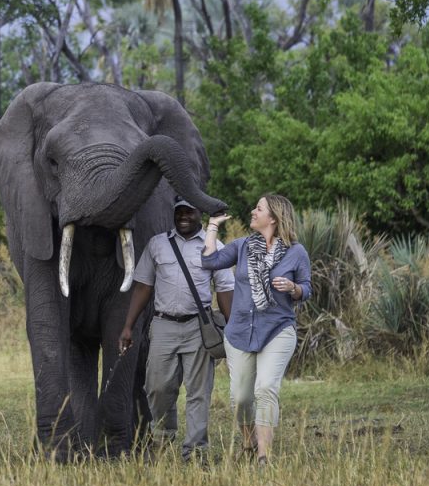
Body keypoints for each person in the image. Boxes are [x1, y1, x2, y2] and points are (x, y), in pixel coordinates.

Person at [119, 197, 234, 463]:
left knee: (198, 391)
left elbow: (225, 289)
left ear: (199, 215)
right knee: (157, 387)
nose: (183, 216)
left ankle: (195, 452)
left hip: (199, 327)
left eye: (189, 212)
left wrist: (232, 331)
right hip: (163, 325)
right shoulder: (158, 244)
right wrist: (128, 326)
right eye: (179, 211)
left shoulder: (214, 246)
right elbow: (143, 286)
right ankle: (162, 438)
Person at [200, 194, 312, 466]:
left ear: (273, 217)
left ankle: (264, 455)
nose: (252, 211)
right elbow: (209, 262)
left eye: (258, 209)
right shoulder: (242, 246)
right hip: (239, 331)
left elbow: (306, 289)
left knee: (265, 388)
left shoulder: (296, 252)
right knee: (240, 396)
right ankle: (248, 440)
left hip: (277, 330)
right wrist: (213, 227)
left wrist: (293, 288)